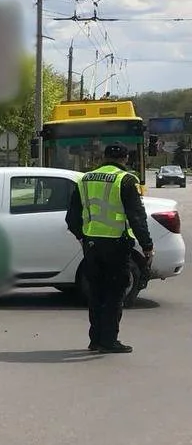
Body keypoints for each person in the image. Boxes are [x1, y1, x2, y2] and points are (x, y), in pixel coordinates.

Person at [65, 143, 153, 354]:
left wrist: (83, 237)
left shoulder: (84, 179)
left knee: (96, 293)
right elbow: (137, 217)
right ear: (125, 159)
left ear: (103, 158)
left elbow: (71, 218)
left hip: (92, 246)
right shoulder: (126, 180)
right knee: (115, 293)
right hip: (116, 245)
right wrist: (147, 246)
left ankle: (95, 339)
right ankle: (109, 340)